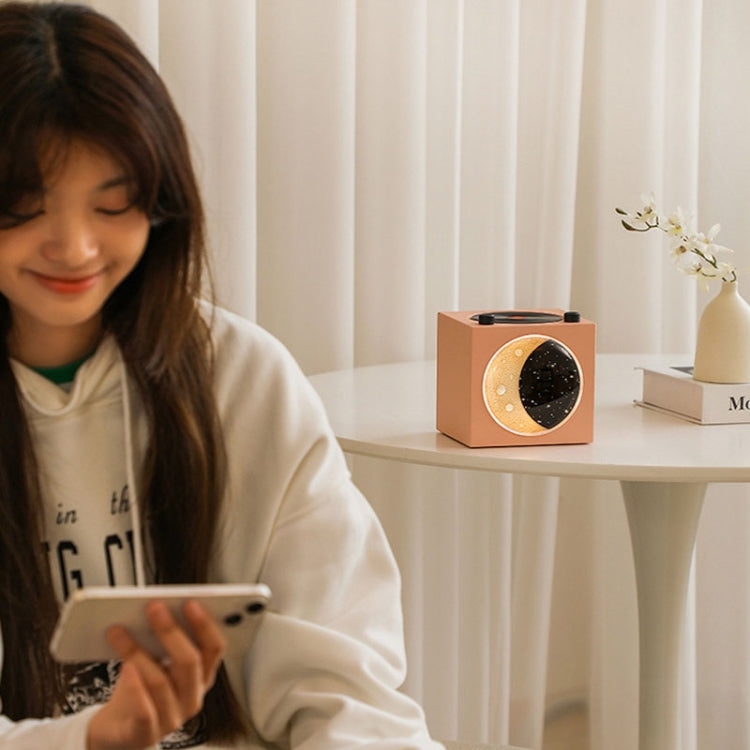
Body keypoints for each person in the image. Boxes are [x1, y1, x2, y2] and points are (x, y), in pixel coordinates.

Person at [0, 3, 444, 748]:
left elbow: (345, 684)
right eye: (22, 208)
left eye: (113, 204)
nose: (74, 247)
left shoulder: (242, 378)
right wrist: (91, 739)